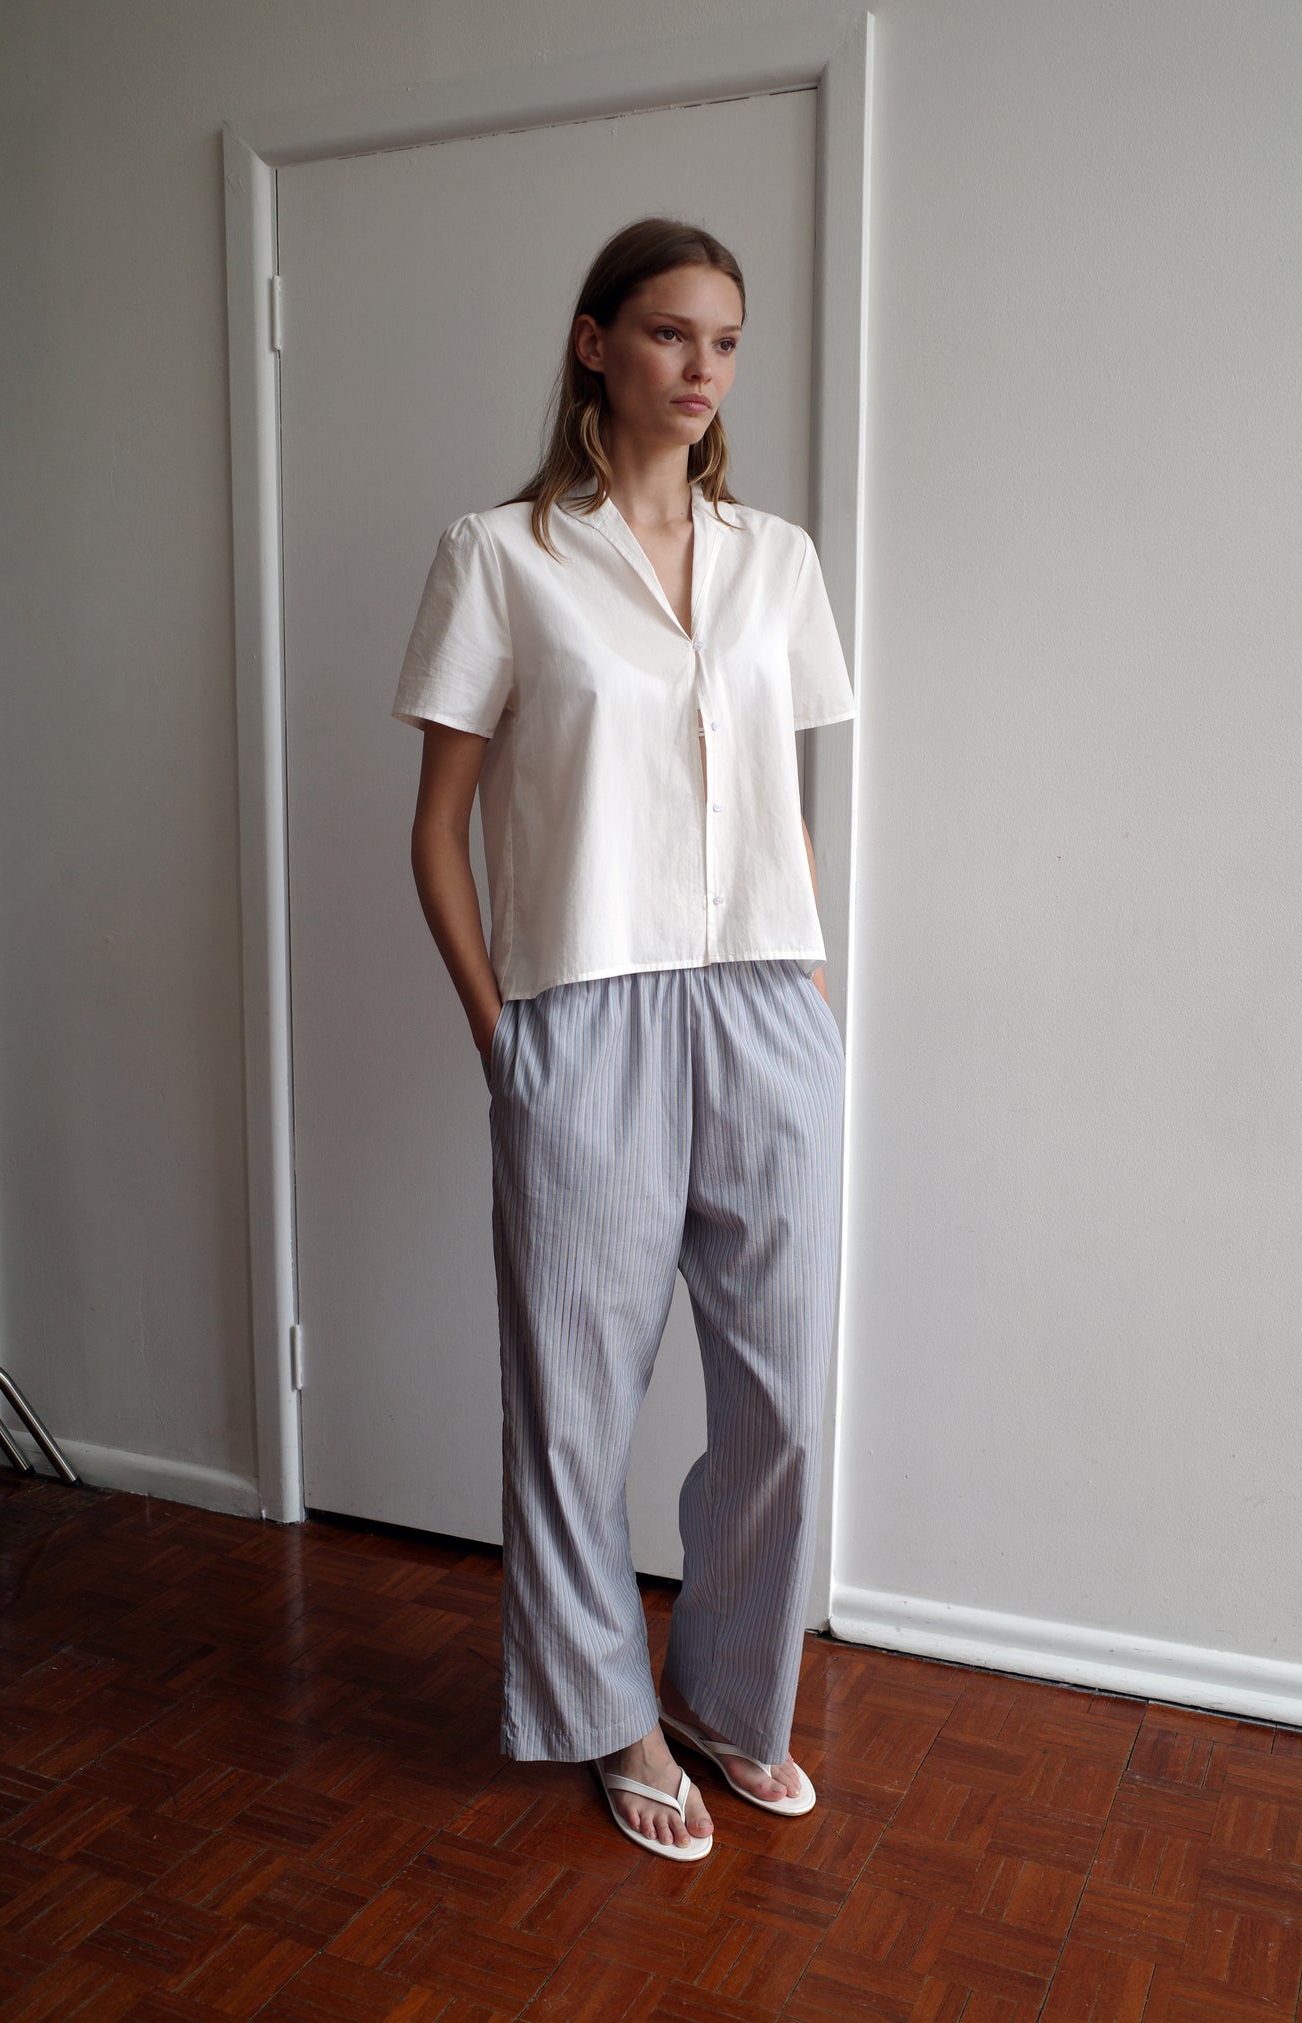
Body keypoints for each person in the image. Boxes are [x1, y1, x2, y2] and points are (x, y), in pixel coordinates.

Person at [392, 217, 855, 1861]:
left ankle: (730, 1698)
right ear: (594, 344)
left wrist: (804, 987)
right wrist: (499, 1028)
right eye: (668, 334)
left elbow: (782, 798)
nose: (701, 369)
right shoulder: (500, 554)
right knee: (575, 1399)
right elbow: (437, 825)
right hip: (578, 1008)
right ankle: (607, 1719)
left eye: (724, 341)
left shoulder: (774, 560)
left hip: (761, 999)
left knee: (783, 1395)